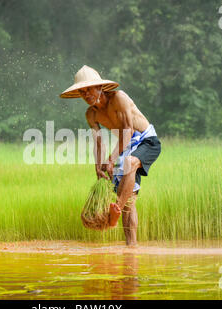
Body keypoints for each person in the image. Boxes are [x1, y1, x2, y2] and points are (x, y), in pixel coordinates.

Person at [60, 65, 161, 246]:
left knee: (129, 163)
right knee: (129, 200)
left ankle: (115, 212)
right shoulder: (91, 114)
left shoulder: (119, 98)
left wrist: (112, 158)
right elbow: (99, 143)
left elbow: (128, 130)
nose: (86, 94)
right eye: (82, 92)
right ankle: (131, 248)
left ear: (100, 87)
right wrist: (98, 167)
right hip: (125, 145)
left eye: (89, 89)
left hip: (146, 140)